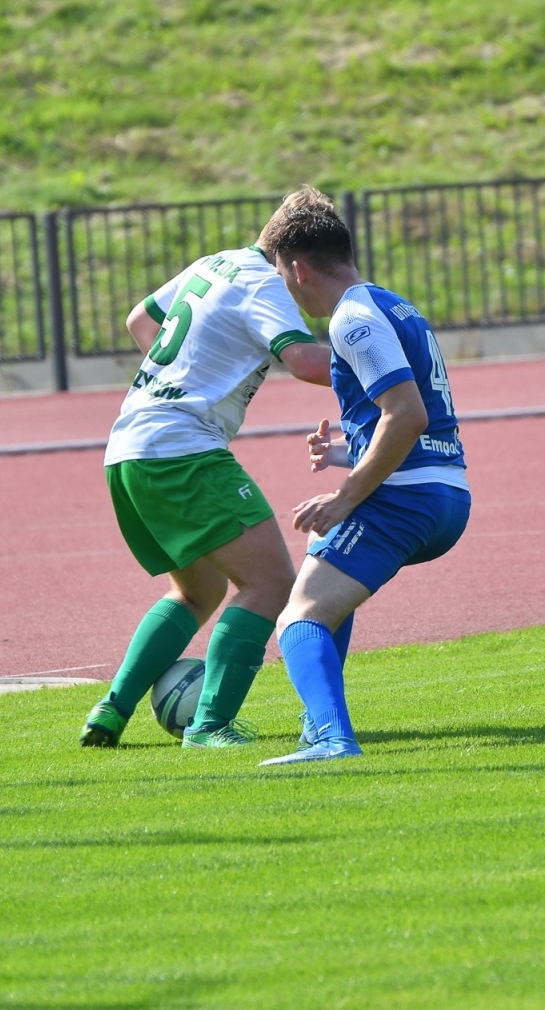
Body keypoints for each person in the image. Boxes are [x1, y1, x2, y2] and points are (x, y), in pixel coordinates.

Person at [79, 235, 333, 749]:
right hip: (182, 450)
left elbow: (140, 321)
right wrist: (387, 366)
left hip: (128, 447)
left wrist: (185, 378)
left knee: (199, 591)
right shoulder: (265, 281)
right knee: (270, 584)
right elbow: (305, 361)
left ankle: (112, 707)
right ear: (296, 261)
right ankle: (210, 724)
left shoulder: (215, 264)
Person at [257, 187, 471, 765]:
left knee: (298, 618)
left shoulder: (352, 320)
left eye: (279, 274)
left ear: (298, 269)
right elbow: (413, 420)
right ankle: (319, 726)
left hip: (406, 499)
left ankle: (331, 738)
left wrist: (345, 496)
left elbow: (407, 414)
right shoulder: (394, 305)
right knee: (324, 589)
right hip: (444, 491)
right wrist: (346, 453)